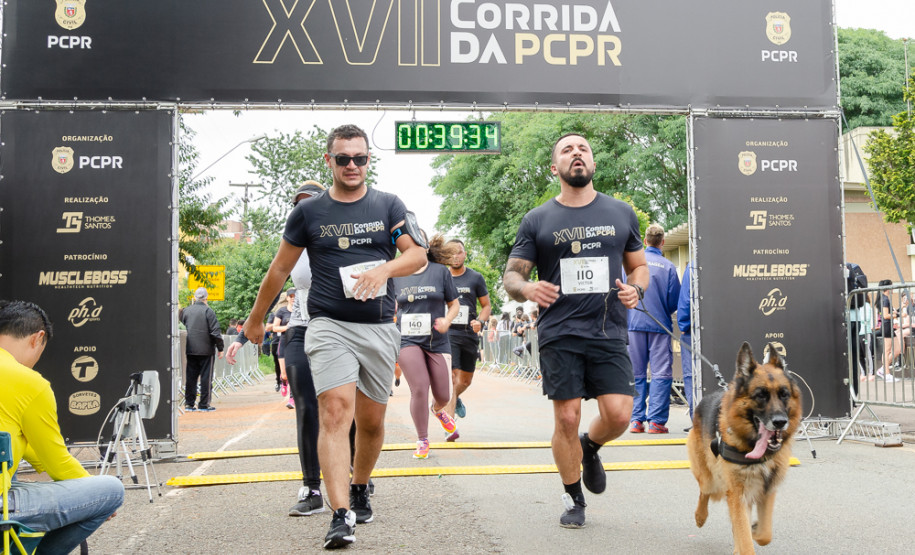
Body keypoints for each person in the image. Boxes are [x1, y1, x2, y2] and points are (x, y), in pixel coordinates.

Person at [241, 124, 427, 549]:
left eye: (360, 158)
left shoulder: (387, 204)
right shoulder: (309, 213)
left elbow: (417, 254)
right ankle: (340, 514)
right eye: (343, 159)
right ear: (329, 161)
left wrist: (383, 269)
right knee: (334, 411)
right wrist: (255, 319)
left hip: (378, 326)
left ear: (367, 160)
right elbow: (279, 270)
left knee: (372, 422)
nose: (352, 166)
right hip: (328, 326)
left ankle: (360, 485)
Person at [503, 132, 648, 529]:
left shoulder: (621, 212)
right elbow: (512, 276)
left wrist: (636, 289)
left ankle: (591, 445)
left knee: (619, 414)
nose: (576, 154)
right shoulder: (537, 219)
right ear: (555, 168)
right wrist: (527, 288)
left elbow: (639, 267)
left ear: (593, 163)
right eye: (567, 150)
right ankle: (573, 498)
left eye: (583, 148)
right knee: (566, 418)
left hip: (607, 328)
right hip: (560, 330)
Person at [227, 181, 329, 518]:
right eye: (298, 202)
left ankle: (357, 476)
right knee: (306, 406)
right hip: (301, 329)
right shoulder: (294, 242)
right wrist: (244, 333)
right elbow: (275, 279)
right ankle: (311, 486)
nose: (304, 207)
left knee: (345, 408)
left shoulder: (340, 236)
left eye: (310, 201)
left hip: (339, 331)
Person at [0, 300, 124, 553]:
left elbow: (34, 453)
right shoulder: (29, 382)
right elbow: (57, 462)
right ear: (38, 338)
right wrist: (98, 499)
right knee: (111, 491)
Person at [393, 233, 461, 456]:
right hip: (407, 340)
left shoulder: (440, 272)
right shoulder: (396, 273)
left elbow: (454, 305)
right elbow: (389, 307)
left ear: (423, 245)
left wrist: (447, 320)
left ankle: (438, 410)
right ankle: (422, 439)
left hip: (437, 340)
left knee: (444, 395)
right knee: (419, 387)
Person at [627, 223, 681, 434]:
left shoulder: (631, 266)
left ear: (645, 241)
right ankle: (657, 422)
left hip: (634, 325)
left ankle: (636, 420)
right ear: (663, 242)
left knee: (636, 373)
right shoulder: (668, 267)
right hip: (659, 325)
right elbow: (673, 301)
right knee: (661, 374)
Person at [444, 238, 491, 422]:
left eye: (459, 252)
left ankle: (454, 400)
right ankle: (450, 425)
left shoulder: (475, 278)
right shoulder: (442, 277)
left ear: (465, 254)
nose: (455, 256)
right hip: (449, 333)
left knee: (465, 381)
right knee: (453, 377)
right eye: (451, 252)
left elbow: (486, 306)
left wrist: (480, 320)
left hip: (469, 333)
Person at [181, 287, 225, 411]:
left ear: (195, 297)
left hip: (191, 349)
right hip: (206, 350)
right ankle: (204, 404)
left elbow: (184, 322)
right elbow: (215, 332)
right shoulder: (208, 311)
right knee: (206, 377)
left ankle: (189, 404)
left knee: (191, 377)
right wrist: (220, 348)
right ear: (206, 297)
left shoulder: (186, 311)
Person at [677, 262, 695, 424]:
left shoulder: (693, 266)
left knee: (691, 376)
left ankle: (697, 421)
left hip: (693, 331)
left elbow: (685, 299)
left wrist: (683, 324)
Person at [273, 288, 296, 408]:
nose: (293, 298)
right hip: (283, 343)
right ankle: (284, 382)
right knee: (285, 374)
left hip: (296, 344)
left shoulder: (300, 311)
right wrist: (286, 328)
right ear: (287, 298)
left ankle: (292, 399)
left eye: (295, 296)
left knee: (293, 372)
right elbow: (274, 328)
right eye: (291, 296)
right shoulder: (282, 311)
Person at [875, 279, 900, 382]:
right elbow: (885, 315)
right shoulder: (885, 299)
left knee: (898, 349)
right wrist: (898, 314)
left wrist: (896, 313)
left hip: (889, 327)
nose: (893, 288)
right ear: (887, 288)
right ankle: (886, 374)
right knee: (887, 350)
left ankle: (882, 369)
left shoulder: (884, 299)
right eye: (892, 286)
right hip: (887, 327)